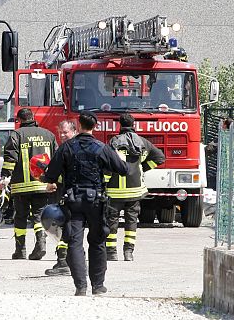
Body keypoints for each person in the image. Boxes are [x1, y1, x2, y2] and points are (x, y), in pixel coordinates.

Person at [41, 111, 129, 296]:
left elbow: (50, 175)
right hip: (96, 201)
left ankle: (80, 287)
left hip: (73, 202)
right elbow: (123, 170)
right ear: (95, 126)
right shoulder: (102, 147)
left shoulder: (67, 148)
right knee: (97, 242)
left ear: (78, 125)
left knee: (74, 243)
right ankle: (98, 285)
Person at [106, 113, 165, 262]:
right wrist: (142, 168)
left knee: (112, 222)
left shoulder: (113, 142)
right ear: (134, 124)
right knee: (131, 221)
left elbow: (106, 164)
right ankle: (128, 252)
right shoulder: (142, 142)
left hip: (114, 191)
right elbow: (160, 157)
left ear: (119, 124)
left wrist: (103, 182)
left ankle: (111, 253)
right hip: (135, 191)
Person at [1, 108, 57, 260]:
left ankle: (20, 250)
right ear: (33, 117)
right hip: (42, 185)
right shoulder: (49, 135)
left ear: (19, 120)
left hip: (21, 186)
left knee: (20, 217)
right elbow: (56, 159)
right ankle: (41, 244)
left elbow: (10, 159)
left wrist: (5, 177)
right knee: (38, 216)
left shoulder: (16, 135)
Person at [44, 119, 77, 277]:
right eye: (61, 132)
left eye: (66, 132)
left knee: (64, 228)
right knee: (74, 230)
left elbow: (54, 173)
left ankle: (64, 262)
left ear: (74, 131)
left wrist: (49, 180)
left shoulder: (64, 149)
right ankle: (74, 262)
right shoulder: (82, 146)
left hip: (68, 195)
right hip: (83, 195)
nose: (62, 135)